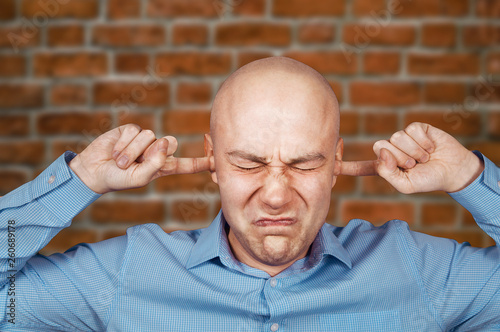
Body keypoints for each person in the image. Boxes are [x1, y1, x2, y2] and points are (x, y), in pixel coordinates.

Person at [0, 57, 498, 331]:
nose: (276, 195)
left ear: (336, 163)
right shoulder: (127, 272)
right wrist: (80, 181)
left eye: (304, 164)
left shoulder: (417, 270)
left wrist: (470, 178)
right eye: (248, 163)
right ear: (213, 161)